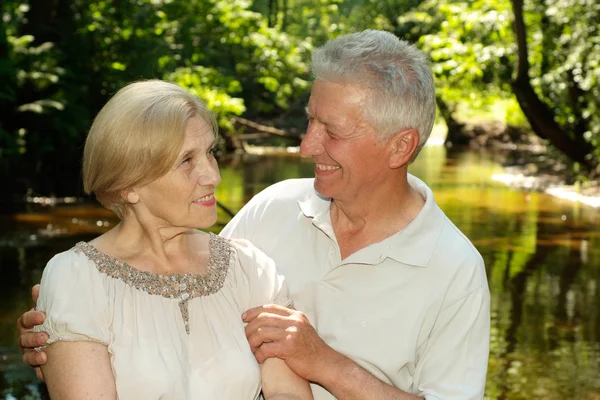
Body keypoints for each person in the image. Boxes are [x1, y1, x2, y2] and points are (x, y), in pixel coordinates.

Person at [18, 30, 490, 399]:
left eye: (333, 131)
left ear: (401, 145)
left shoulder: (454, 269)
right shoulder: (275, 207)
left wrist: (326, 364)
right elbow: (175, 281)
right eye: (310, 120)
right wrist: (68, 331)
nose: (306, 146)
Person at [19, 79, 312, 399]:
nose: (213, 175)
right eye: (186, 160)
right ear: (128, 184)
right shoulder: (76, 279)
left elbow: (289, 394)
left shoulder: (250, 269)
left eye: (210, 152)